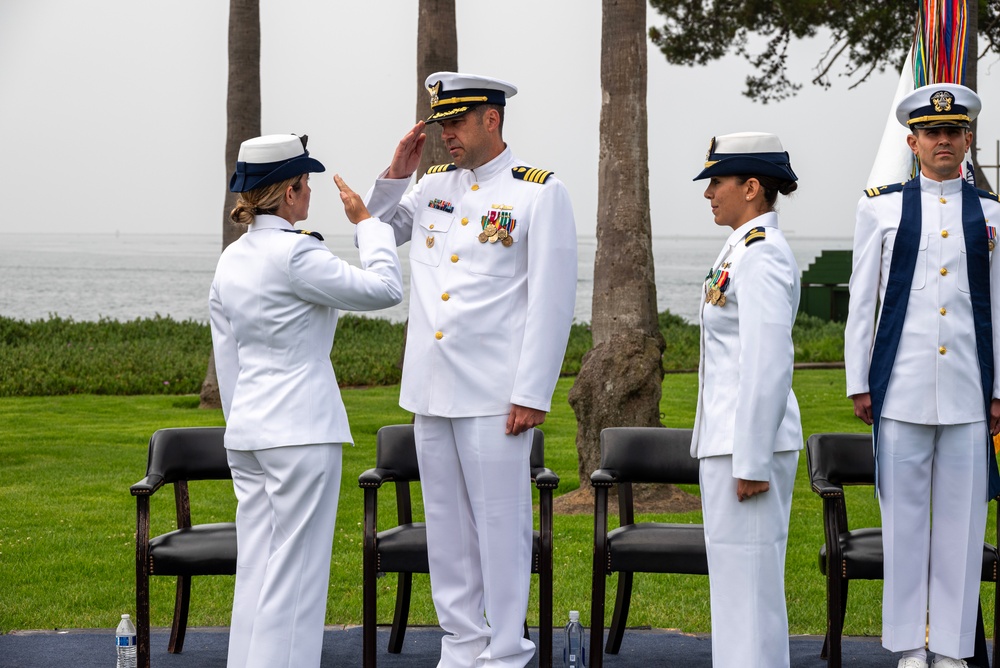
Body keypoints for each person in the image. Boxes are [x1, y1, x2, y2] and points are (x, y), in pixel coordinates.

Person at [363, 72, 577, 667]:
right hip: (431, 388)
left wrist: (532, 392)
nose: (447, 135)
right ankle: (461, 644)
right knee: (448, 530)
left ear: (492, 118)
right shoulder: (430, 184)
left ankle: (506, 649)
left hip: (494, 392)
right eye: (441, 125)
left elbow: (553, 302)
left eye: (456, 122)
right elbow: (378, 232)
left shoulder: (538, 191)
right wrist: (396, 174)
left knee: (501, 530)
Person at [209, 133, 403, 668]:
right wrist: (369, 225)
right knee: (295, 581)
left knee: (258, 571)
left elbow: (229, 361)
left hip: (249, 433)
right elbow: (386, 288)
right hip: (301, 432)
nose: (311, 193)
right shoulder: (297, 253)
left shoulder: (231, 260)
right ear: (290, 192)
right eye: (307, 184)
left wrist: (242, 423)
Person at [844, 83, 1000, 668]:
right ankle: (910, 645)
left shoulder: (990, 214)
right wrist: (859, 379)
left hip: (967, 391)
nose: (942, 141)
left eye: (952, 132)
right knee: (903, 525)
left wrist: (999, 390)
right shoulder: (879, 208)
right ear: (912, 141)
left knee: (963, 529)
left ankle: (954, 649)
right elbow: (865, 301)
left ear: (967, 139)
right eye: (931, 132)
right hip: (900, 389)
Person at [690, 132, 803, 668]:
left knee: (751, 595)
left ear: (752, 187)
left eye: (718, 181)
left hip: (747, 448)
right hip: (729, 443)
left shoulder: (761, 255)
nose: (709, 193)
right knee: (736, 593)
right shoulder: (741, 246)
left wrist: (752, 457)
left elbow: (769, 361)